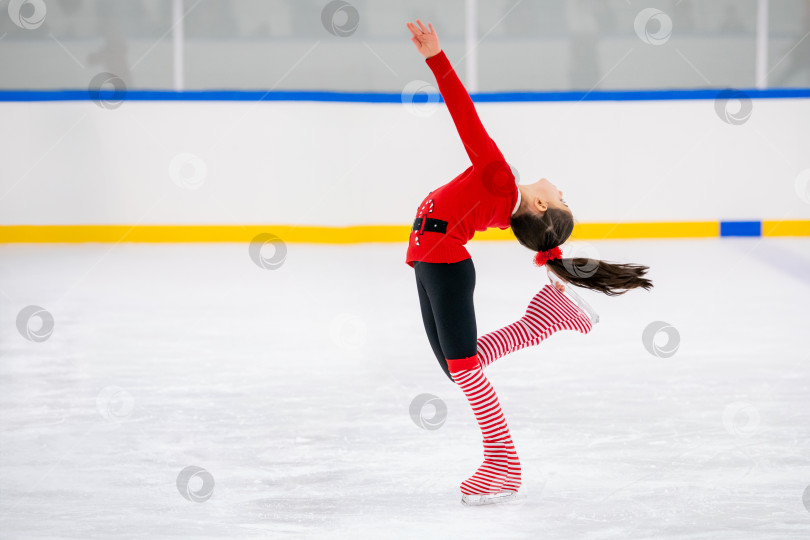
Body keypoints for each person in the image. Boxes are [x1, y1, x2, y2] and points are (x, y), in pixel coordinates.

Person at [405, 20, 653, 506]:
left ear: (542, 208)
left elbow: (465, 119)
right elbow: (530, 231)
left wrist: (436, 58)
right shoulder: (504, 203)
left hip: (446, 263)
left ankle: (503, 461)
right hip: (433, 260)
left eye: (562, 198)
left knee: (463, 367)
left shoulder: (499, 181)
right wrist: (553, 259)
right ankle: (544, 320)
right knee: (460, 368)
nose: (561, 190)